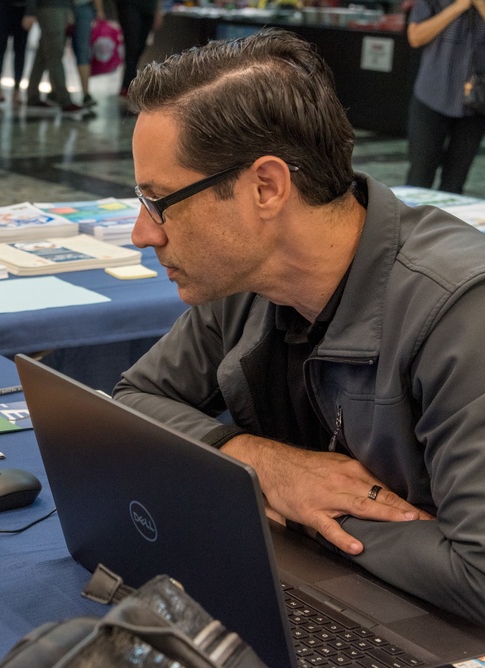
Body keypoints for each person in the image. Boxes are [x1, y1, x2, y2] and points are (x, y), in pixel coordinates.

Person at [114, 29, 485, 624]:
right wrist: (260, 462)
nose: (143, 232)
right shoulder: (247, 281)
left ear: (266, 188)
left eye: (160, 202)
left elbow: (480, 573)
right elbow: (132, 401)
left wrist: (309, 507)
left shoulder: (461, 313)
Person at [405, 0, 485, 193]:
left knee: (455, 180)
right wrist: (459, 6)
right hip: (431, 95)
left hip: (476, 103)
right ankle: (412, 223)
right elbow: (415, 37)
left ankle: (446, 223)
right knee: (420, 174)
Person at [23, 0, 84, 112]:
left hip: (59, 8)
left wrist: (68, 8)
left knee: (42, 55)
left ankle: (33, 96)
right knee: (55, 53)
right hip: (50, 8)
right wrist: (30, 12)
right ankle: (64, 99)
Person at [115, 0, 162, 97]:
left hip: (149, 7)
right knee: (132, 45)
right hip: (130, 5)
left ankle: (130, 82)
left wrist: (158, 11)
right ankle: (129, 84)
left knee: (141, 45)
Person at [0, 0, 30, 107]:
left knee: (20, 49)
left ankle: (17, 89)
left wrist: (30, 11)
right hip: (1, 7)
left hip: (21, 8)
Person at [71, 0, 106, 107]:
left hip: (81, 7)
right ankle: (56, 92)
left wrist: (99, 10)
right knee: (55, 48)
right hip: (61, 6)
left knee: (83, 50)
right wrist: (99, 10)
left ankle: (86, 93)